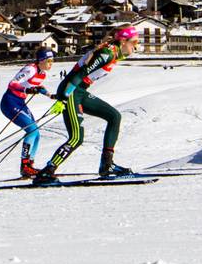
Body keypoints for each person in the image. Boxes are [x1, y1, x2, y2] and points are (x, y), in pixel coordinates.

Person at [34, 26, 139, 184]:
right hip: (71, 90)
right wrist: (63, 98)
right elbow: (80, 74)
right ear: (123, 41)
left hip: (80, 92)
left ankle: (107, 165)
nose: (136, 46)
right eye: (134, 42)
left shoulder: (115, 52)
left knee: (114, 116)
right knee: (76, 138)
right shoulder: (107, 53)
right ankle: (46, 172)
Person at [1, 48, 55, 178]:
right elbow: (12, 83)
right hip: (10, 102)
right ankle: (25, 166)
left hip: (20, 102)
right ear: (41, 61)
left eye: (52, 61)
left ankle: (30, 164)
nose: (51, 63)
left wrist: (51, 95)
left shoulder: (42, 74)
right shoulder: (30, 69)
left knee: (36, 133)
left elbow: (38, 88)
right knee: (31, 131)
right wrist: (28, 90)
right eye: (49, 61)